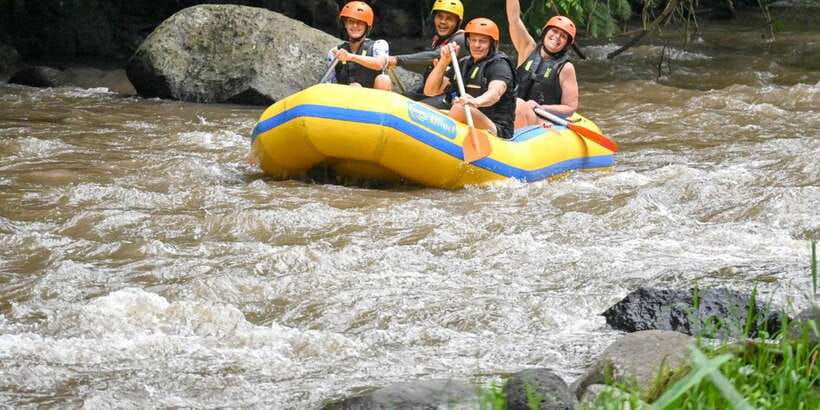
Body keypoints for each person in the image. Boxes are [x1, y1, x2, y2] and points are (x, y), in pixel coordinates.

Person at [423, 18, 517, 140]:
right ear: (467, 42)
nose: (476, 45)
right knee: (423, 109)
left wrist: (476, 102)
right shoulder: (464, 63)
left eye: (482, 41)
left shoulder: (500, 65)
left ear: (492, 44)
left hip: (497, 128)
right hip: (467, 117)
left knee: (459, 108)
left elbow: (495, 92)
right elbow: (430, 91)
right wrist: (444, 61)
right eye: (473, 40)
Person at [506, 0, 578, 128]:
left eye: (563, 36)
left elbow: (570, 108)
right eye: (554, 31)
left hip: (542, 119)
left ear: (566, 44)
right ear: (545, 32)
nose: (557, 37)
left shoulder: (566, 68)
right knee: (517, 105)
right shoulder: (527, 48)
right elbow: (514, 19)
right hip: (513, 112)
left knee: (520, 106)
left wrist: (542, 107)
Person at [386, 0, 467, 108]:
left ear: (458, 22)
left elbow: (435, 55)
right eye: (440, 17)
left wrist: (397, 60)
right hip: (432, 91)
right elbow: (425, 65)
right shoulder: (438, 40)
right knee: (403, 98)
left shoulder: (461, 39)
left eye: (449, 19)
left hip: (452, 96)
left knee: (413, 107)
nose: (443, 22)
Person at [328, 1, 392, 90]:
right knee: (354, 87)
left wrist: (350, 57)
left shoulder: (379, 45)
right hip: (344, 100)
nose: (355, 25)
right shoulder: (335, 52)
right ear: (345, 25)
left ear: (367, 27)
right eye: (351, 21)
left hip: (372, 100)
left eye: (360, 22)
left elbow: (379, 64)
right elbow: (330, 84)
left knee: (383, 79)